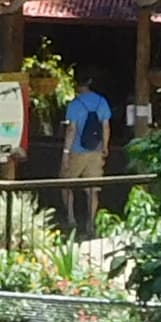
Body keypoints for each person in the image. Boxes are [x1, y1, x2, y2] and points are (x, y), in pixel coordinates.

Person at [57, 79, 113, 237]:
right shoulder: (102, 102)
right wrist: (105, 147)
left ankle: (71, 218)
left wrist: (66, 153)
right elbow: (106, 126)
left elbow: (71, 130)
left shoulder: (75, 104)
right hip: (95, 151)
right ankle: (91, 222)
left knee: (66, 184)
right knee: (92, 189)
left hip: (77, 150)